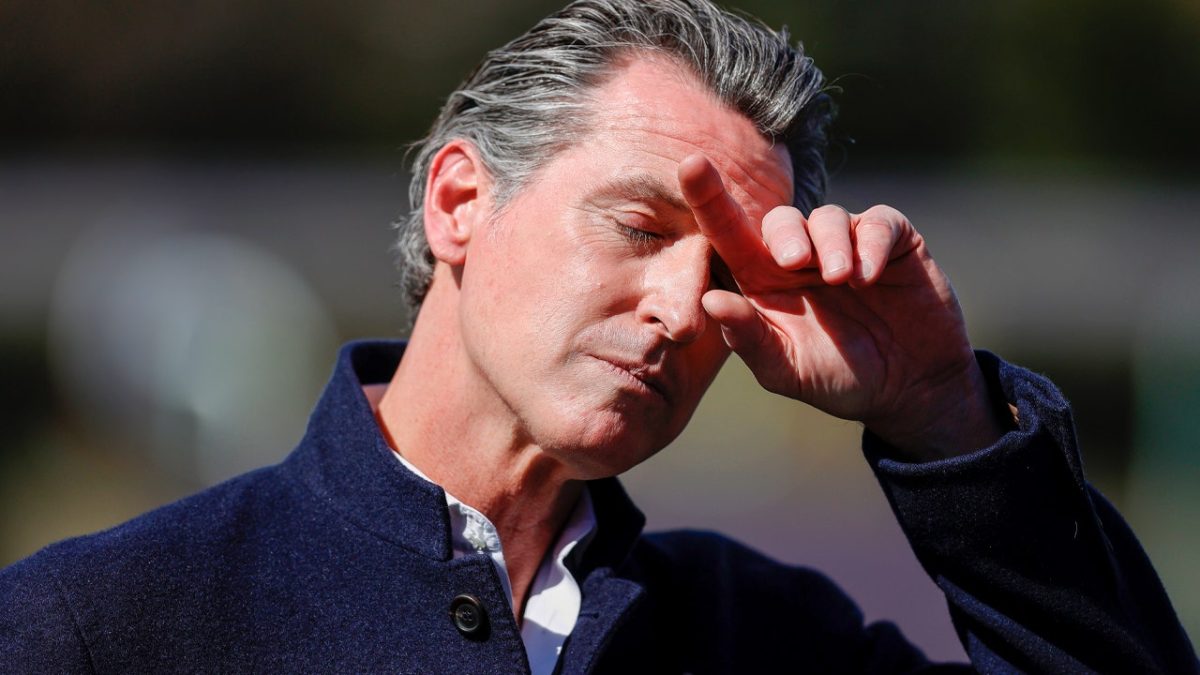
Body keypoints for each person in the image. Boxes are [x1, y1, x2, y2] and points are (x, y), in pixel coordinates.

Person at [1, 0, 1196, 672]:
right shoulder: (100, 626)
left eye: (724, 269)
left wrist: (944, 416)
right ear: (460, 202)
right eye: (637, 226)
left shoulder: (766, 641)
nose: (680, 307)